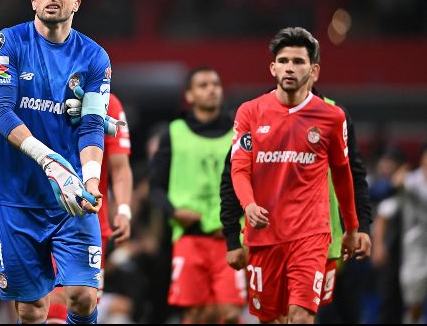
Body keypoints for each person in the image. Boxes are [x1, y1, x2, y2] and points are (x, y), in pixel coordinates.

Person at [0, 0, 110, 324]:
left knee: (83, 297)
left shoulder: (95, 57)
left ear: (76, 4)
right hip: (19, 196)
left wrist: (89, 180)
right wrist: (49, 161)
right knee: (31, 309)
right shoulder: (8, 43)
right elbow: (0, 113)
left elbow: (91, 125)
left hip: (69, 196)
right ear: (33, 0)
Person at [230, 27, 362, 324]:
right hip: (264, 235)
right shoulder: (249, 112)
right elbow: (239, 169)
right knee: (272, 319)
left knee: (300, 317)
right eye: (284, 60)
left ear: (313, 70)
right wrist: (249, 205)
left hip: (310, 234)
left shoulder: (332, 117)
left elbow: (343, 174)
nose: (290, 67)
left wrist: (352, 227)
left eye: (299, 61)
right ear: (273, 67)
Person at [148, 67, 245, 323]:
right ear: (189, 96)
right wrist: (174, 212)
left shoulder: (239, 132)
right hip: (189, 237)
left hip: (230, 238)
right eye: (203, 85)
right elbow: (155, 186)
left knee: (231, 314)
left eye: (215, 84)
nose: (212, 89)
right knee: (193, 314)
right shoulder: (174, 132)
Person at [46, 92, 134, 323]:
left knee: (84, 302)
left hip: (89, 221)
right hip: (44, 219)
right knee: (48, 305)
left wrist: (124, 210)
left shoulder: (109, 103)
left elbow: (120, 166)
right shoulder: (40, 93)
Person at [385, 144, 427, 323]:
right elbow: (394, 183)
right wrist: (399, 177)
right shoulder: (411, 179)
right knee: (414, 303)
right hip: (415, 248)